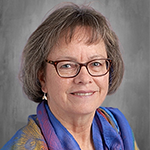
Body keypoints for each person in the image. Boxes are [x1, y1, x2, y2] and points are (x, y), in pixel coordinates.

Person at [2, 2, 139, 150]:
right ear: (42, 78)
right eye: (67, 65)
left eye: (96, 63)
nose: (85, 78)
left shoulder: (117, 127)